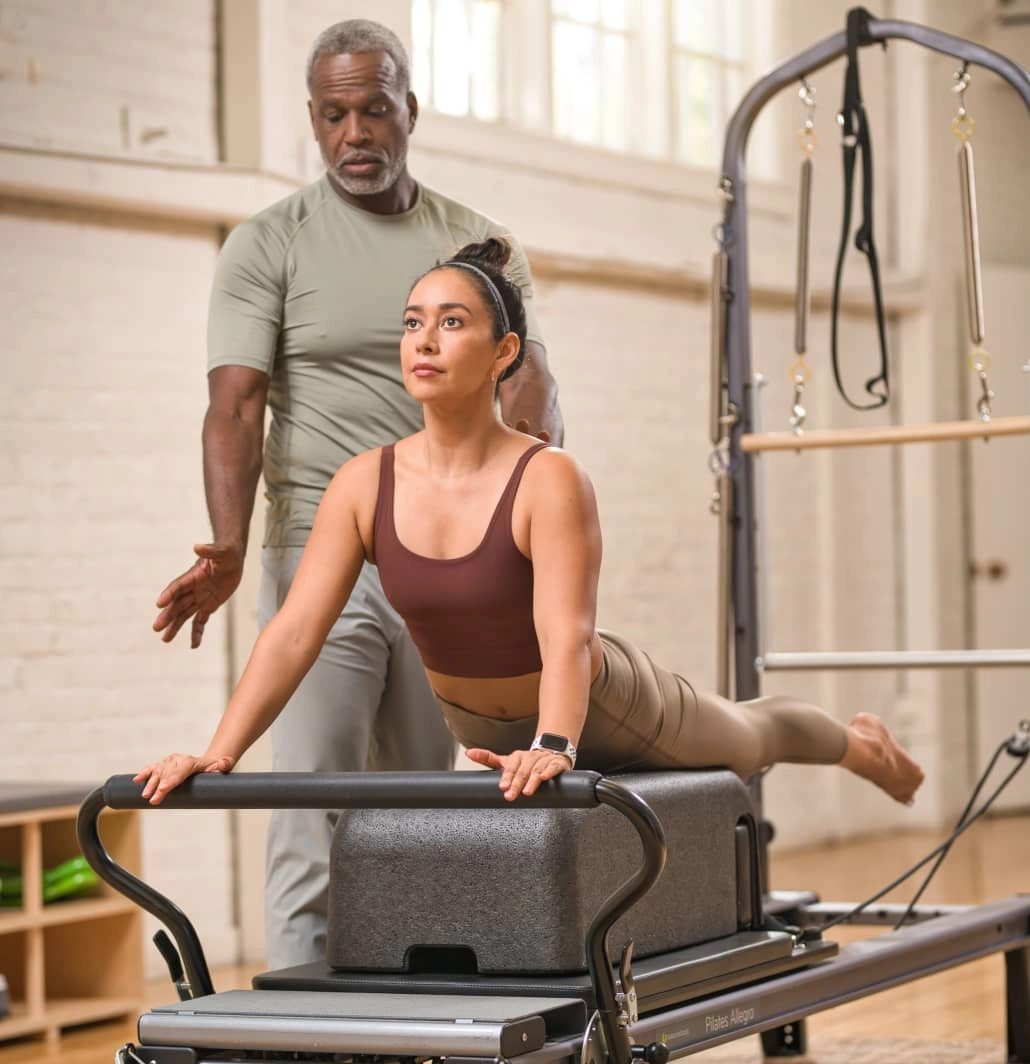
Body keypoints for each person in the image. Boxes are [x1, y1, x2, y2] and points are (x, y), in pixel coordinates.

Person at [137, 238, 925, 834]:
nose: (425, 340)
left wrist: (555, 740)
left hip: (607, 703)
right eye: (414, 323)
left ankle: (862, 747)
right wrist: (219, 752)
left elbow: (567, 634)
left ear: (503, 352)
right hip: (485, 730)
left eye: (453, 323)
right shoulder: (361, 483)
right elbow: (294, 631)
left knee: (750, 737)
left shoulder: (546, 478)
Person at [149, 20, 562, 970]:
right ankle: (303, 1027)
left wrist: (528, 524)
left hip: (448, 561)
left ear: (409, 110)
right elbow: (234, 403)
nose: (356, 132)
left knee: (423, 813)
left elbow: (530, 386)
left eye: (374, 108)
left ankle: (408, 1017)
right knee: (309, 815)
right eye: (334, 115)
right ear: (312, 120)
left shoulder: (479, 246)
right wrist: (227, 544)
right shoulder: (270, 243)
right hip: (317, 555)